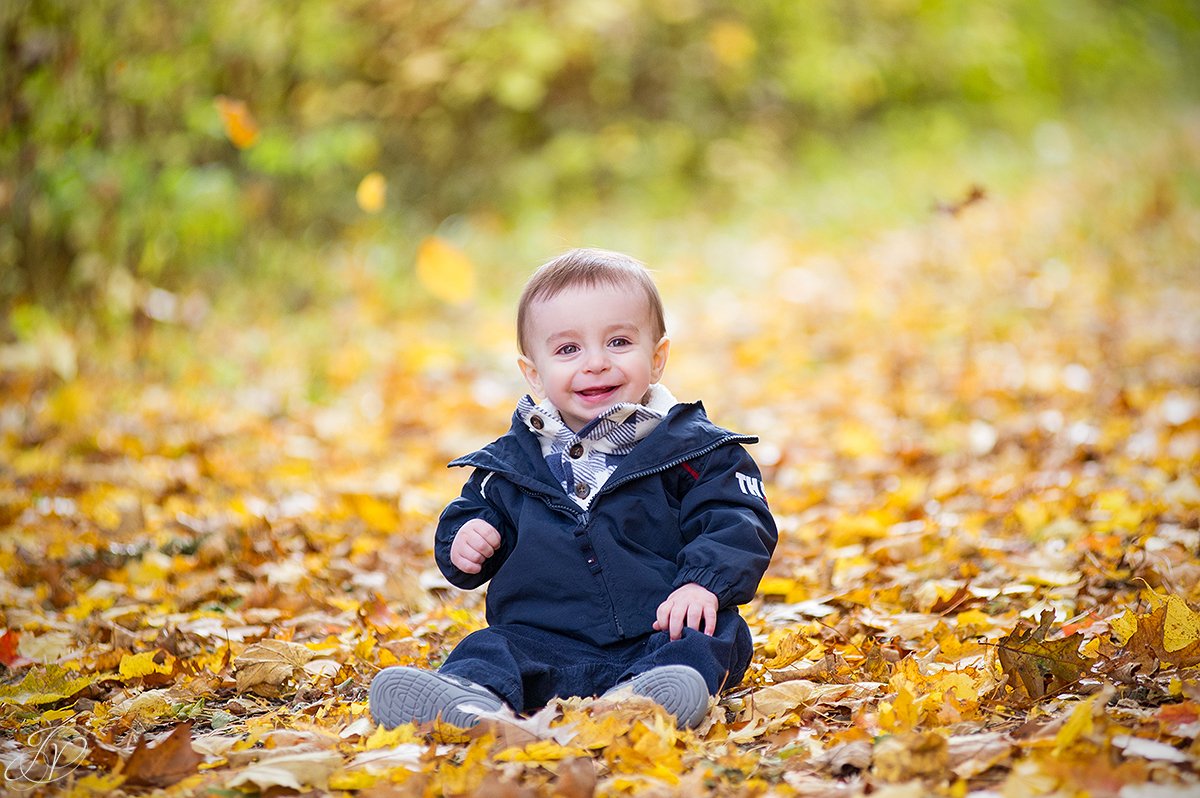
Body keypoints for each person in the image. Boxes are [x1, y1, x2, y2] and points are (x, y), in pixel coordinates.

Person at [369, 248, 777, 730]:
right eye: (568, 350)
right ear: (535, 374)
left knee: (712, 632)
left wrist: (701, 583)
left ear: (658, 357)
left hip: (657, 628)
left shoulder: (692, 450)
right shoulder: (513, 465)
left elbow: (738, 518)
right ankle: (474, 702)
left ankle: (645, 695)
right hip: (544, 639)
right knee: (490, 647)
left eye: (620, 342)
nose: (597, 363)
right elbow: (472, 515)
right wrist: (468, 536)